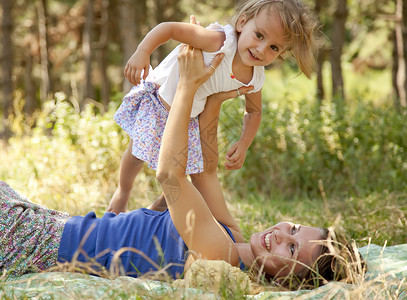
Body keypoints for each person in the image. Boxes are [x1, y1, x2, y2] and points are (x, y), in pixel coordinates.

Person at [0, 47, 363, 288]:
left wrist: (188, 86)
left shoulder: (217, 256)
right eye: (295, 228)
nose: (282, 235)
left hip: (38, 243)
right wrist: (215, 98)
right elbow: (203, 170)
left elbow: (171, 178)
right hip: (55, 223)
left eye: (293, 249)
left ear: (287, 282)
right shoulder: (233, 237)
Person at [108, 0, 321, 214]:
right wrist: (142, 51)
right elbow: (169, 29)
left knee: (183, 172)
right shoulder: (219, 42)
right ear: (242, 23)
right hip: (161, 103)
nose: (261, 49)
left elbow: (254, 111)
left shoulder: (255, 77)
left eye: (274, 47)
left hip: (189, 121)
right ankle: (122, 193)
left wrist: (244, 143)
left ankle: (155, 212)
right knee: (136, 154)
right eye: (259, 35)